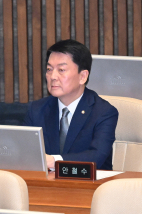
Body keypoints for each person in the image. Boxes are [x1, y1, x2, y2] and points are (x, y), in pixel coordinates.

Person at [23, 39, 118, 170]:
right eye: (49, 69)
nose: (53, 76)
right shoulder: (37, 110)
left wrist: (54, 161)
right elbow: (26, 154)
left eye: (61, 70)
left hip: (92, 187)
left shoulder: (103, 112)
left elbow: (97, 156)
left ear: (83, 76)